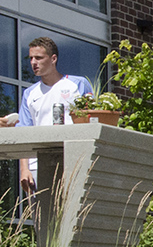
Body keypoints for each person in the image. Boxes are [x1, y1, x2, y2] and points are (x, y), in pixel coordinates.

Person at [8, 37, 91, 193]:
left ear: (53, 59)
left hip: (72, 160)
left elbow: (92, 119)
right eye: (31, 58)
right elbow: (24, 132)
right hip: (37, 166)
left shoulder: (78, 85)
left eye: (39, 58)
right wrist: (24, 170)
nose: (33, 62)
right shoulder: (29, 94)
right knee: (42, 215)